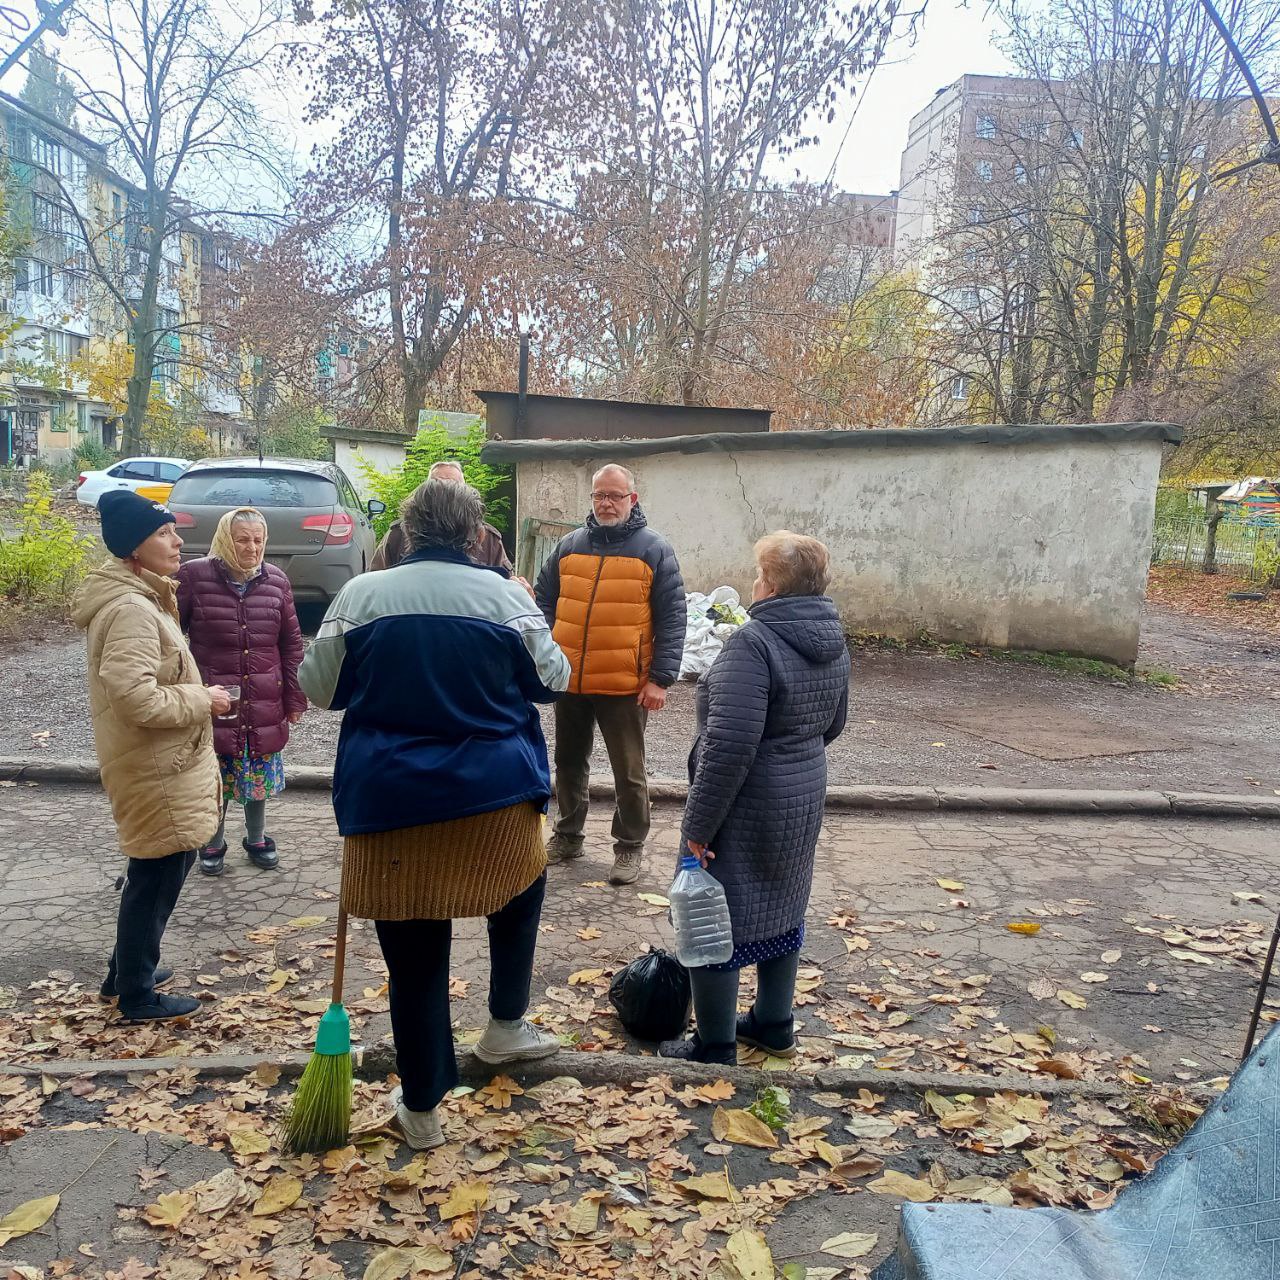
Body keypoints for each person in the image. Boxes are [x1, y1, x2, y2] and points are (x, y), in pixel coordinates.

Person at [299, 478, 570, 1149]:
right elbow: (555, 681)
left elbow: (319, 688)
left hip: (391, 800)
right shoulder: (506, 597)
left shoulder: (362, 595)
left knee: (415, 952)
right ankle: (505, 1024)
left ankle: (422, 1108)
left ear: (408, 531)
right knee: (519, 894)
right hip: (495, 795)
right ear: (477, 535)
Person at [659, 532, 849, 1065]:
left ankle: (715, 1044)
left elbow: (727, 748)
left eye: (759, 574)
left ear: (771, 585)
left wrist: (698, 825)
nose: (754, 582)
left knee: (713, 913)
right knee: (783, 906)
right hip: (804, 790)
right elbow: (834, 723)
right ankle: (773, 1023)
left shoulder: (754, 643)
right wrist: (794, 754)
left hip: (746, 801)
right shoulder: (832, 637)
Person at [71, 490, 230, 1021]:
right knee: (155, 876)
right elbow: (136, 699)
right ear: (134, 548)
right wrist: (202, 699)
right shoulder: (131, 609)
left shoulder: (142, 596)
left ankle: (127, 969)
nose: (177, 540)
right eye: (164, 533)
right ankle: (135, 994)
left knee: (157, 872)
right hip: (157, 767)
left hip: (164, 763)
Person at [534, 463, 685, 886]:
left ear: (631, 499)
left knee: (628, 771)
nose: (605, 503)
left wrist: (661, 678)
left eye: (615, 496)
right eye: (599, 495)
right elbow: (545, 600)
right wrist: (549, 650)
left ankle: (629, 846)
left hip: (625, 684)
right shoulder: (569, 545)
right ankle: (567, 835)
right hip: (570, 681)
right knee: (567, 764)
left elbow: (674, 618)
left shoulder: (654, 549)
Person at [176, 507, 306, 876]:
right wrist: (189, 690)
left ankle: (257, 837)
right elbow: (172, 638)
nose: (252, 547)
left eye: (258, 539)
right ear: (224, 539)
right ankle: (212, 841)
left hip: (265, 697)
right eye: (242, 539)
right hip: (216, 699)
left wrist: (295, 697)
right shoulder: (195, 576)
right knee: (215, 772)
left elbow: (291, 645)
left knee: (257, 771)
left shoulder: (277, 581)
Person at [370, 460, 511, 571]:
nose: (445, 492)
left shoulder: (489, 538)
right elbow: (376, 577)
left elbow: (506, 584)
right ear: (425, 490)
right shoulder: (398, 533)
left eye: (453, 485)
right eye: (437, 484)